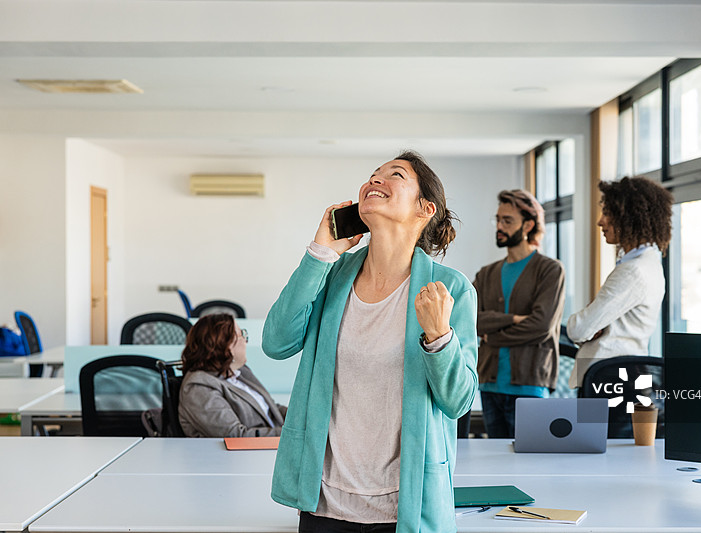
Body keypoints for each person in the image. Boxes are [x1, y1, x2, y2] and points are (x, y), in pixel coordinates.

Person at [263, 151, 478, 533]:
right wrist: (320, 252)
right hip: (323, 504)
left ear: (425, 208)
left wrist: (439, 337)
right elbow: (276, 342)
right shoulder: (331, 274)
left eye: (394, 175)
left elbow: (458, 402)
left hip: (406, 508)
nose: (375, 180)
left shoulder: (450, 290)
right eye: (372, 175)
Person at [473, 189, 565, 438]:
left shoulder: (550, 270)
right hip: (489, 383)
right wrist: (512, 319)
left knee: (532, 468)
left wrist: (491, 336)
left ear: (528, 225)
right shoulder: (486, 274)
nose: (500, 226)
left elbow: (540, 326)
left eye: (508, 221)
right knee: (499, 466)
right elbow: (469, 319)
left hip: (530, 385)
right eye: (498, 219)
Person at [567, 176, 673, 390]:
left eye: (607, 213)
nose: (600, 221)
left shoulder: (633, 271)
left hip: (610, 380)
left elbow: (578, 329)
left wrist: (588, 321)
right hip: (620, 376)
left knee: (600, 426)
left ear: (629, 217)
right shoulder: (646, 263)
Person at [178, 314, 286, 438]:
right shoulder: (199, 387)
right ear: (226, 344)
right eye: (241, 335)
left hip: (273, 447)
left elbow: (270, 408)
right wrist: (293, 434)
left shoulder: (240, 372)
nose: (245, 341)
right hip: (242, 455)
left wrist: (305, 416)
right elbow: (236, 435)